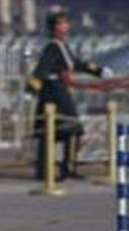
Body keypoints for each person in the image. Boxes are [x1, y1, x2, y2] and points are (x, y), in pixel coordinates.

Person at [27, 10, 110, 180]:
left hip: (59, 92)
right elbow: (41, 70)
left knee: (62, 132)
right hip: (53, 94)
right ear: (56, 27)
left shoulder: (62, 46)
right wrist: (31, 90)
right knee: (60, 131)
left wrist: (99, 71)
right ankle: (50, 171)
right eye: (63, 23)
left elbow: (76, 63)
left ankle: (61, 168)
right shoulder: (52, 47)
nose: (67, 26)